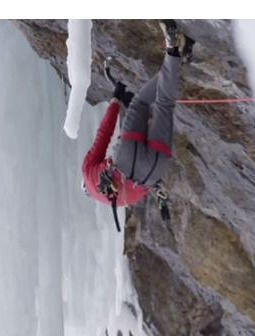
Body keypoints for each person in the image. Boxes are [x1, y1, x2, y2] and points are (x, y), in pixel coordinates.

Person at [81, 20, 194, 230]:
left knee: (165, 104)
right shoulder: (87, 173)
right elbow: (103, 136)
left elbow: (143, 187)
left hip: (154, 169)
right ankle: (175, 52)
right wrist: (116, 100)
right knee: (140, 102)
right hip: (125, 158)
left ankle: (177, 55)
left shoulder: (122, 201)